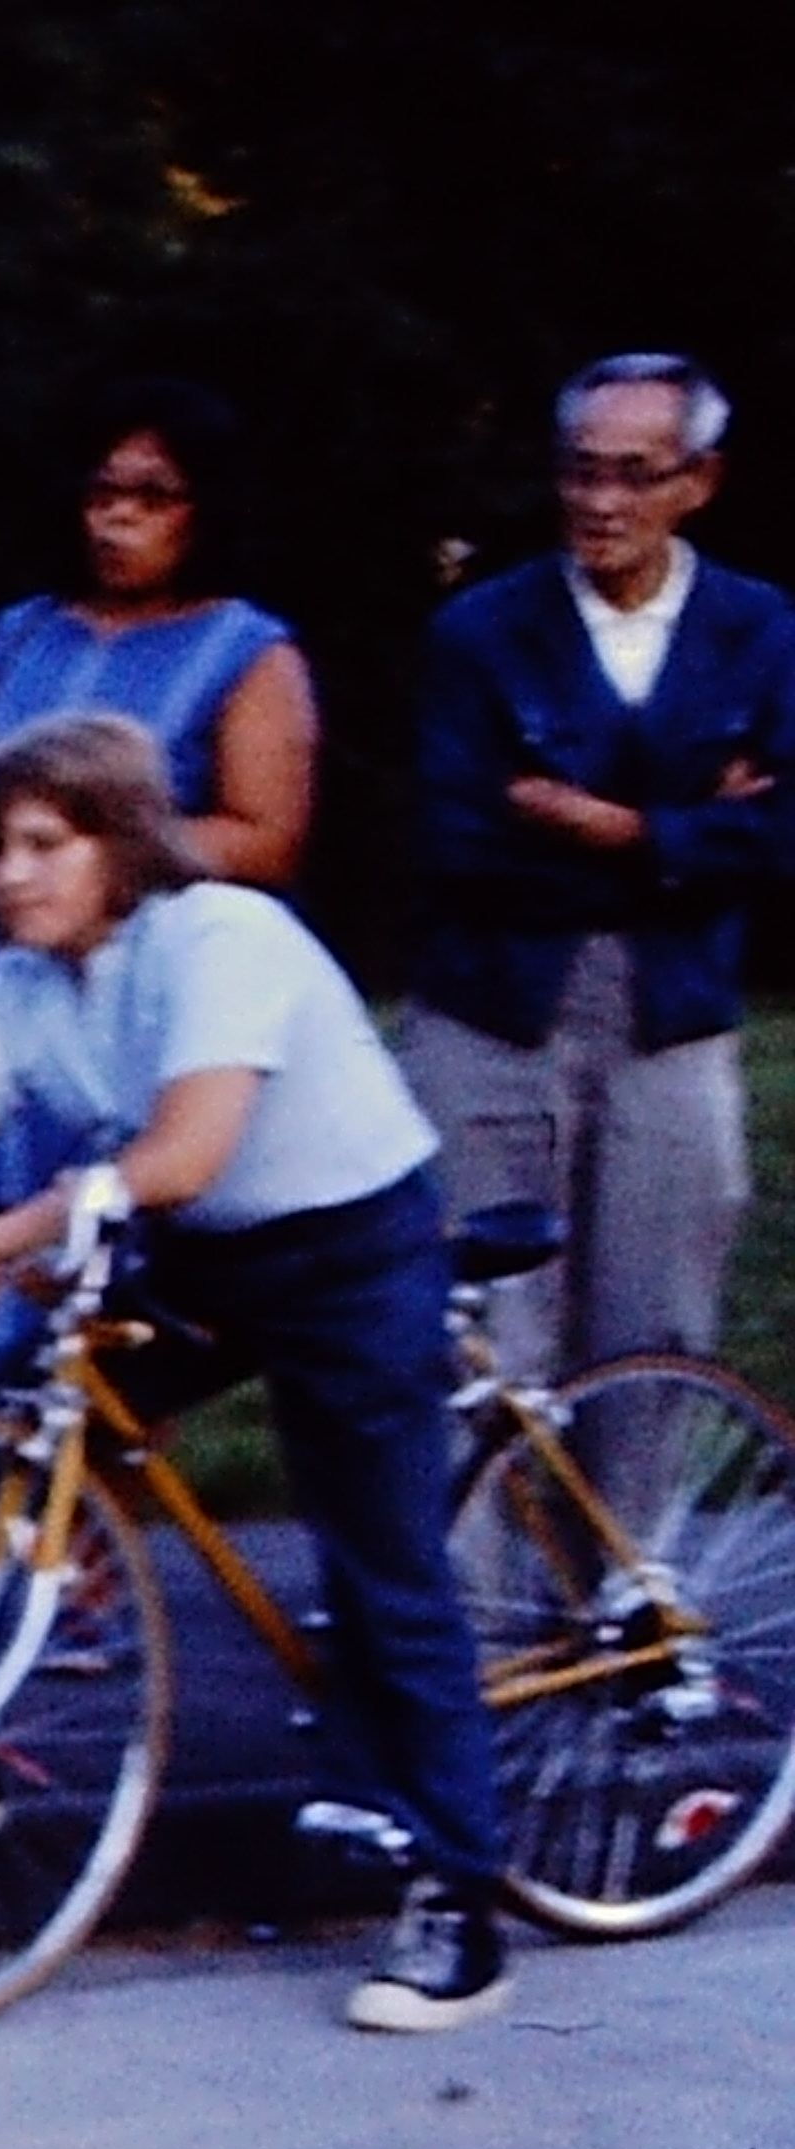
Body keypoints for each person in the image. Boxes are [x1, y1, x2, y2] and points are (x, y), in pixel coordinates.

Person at [0, 711, 513, 2033]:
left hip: (345, 1251)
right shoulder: (27, 979)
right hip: (193, 1257)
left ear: (121, 845)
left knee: (382, 1569)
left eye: (46, 844)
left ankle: (456, 1899)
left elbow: (186, 1153)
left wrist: (0, 1233)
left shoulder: (221, 937)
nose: (10, 875)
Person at [400, 351, 794, 1390]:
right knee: (474, 1338)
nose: (601, 502)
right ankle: (464, 1562)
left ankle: (628, 1560)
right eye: (581, 472)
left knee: (653, 1332)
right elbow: (459, 851)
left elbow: (783, 843)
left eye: (635, 474)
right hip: (490, 1012)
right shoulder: (483, 631)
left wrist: (618, 831)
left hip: (672, 1019)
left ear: (697, 482)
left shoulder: (762, 632)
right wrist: (696, 839)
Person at [0, 379, 318, 890]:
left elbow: (268, 843)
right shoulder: (24, 631)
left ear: (209, 510)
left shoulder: (250, 653)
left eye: (154, 497)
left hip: (155, 940)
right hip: (11, 940)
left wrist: (92, 854)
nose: (119, 517)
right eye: (102, 493)